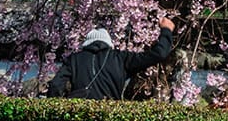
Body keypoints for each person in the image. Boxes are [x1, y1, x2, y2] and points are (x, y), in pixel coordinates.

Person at [45, 16, 177, 100]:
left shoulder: (74, 59)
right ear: (109, 43)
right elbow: (158, 54)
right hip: (109, 112)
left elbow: (56, 86)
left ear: (86, 43)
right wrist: (166, 30)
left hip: (79, 112)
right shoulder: (121, 58)